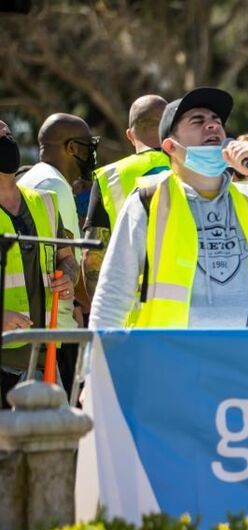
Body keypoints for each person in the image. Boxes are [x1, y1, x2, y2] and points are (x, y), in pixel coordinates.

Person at [88, 87, 248, 329]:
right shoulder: (149, 200)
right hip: (173, 360)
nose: (213, 126)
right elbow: (113, 293)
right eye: (197, 121)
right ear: (170, 146)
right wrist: (97, 362)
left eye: (217, 121)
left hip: (242, 360)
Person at [0, 120, 79, 404]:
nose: (5, 137)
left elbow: (67, 258)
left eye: (7, 133)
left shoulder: (44, 201)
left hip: (45, 356)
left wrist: (69, 276)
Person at [18, 113, 94, 393]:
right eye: (87, 146)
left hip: (48, 323)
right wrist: (83, 309)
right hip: (55, 327)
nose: (90, 155)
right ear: (72, 148)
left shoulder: (36, 178)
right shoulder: (53, 185)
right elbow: (69, 257)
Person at [83, 95, 170, 300]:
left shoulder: (110, 177)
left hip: (128, 313)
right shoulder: (194, 170)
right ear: (171, 128)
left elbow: (92, 257)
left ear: (130, 136)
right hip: (185, 310)